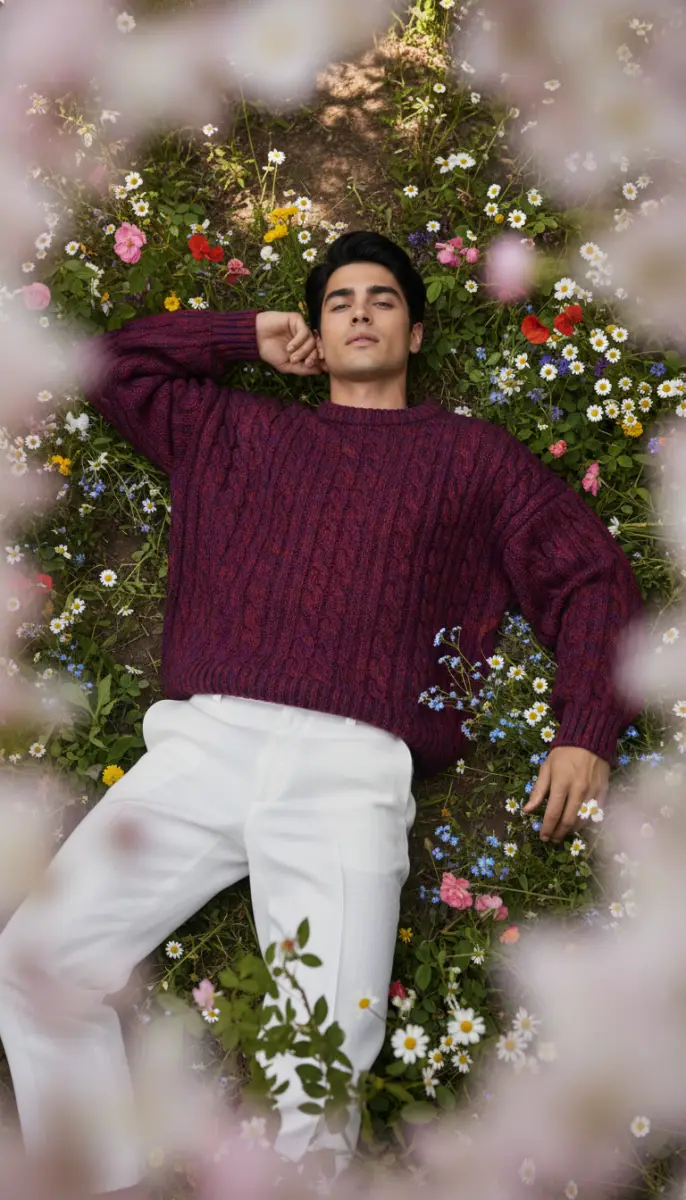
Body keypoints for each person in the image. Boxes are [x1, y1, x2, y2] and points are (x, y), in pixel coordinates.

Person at [0, 232, 645, 1198]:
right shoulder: (230, 429)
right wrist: (240, 336)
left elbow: (591, 572)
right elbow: (108, 363)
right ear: (315, 328)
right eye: (338, 299)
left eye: (381, 299)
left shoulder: (473, 460)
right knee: (33, 964)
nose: (357, 312)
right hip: (203, 747)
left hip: (352, 771)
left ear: (415, 330)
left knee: (324, 1068)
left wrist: (587, 724)